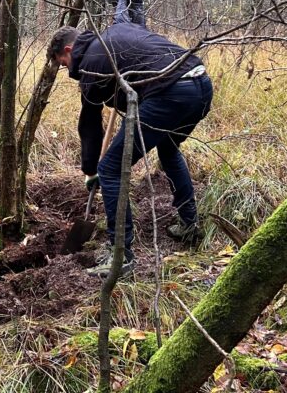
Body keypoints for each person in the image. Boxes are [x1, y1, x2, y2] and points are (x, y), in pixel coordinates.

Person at [47, 23, 213, 278]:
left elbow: (90, 124)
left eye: (63, 63)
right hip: (200, 84)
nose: (68, 69)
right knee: (168, 149)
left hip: (170, 92)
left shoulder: (90, 63)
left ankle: (120, 256)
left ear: (69, 50)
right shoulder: (114, 34)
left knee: (110, 169)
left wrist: (91, 170)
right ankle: (189, 224)